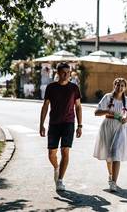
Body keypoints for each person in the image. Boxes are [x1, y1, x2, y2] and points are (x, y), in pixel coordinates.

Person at [39, 62, 82, 191]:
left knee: (65, 150)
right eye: (63, 72)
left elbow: (78, 107)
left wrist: (80, 125)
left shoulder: (74, 88)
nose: (66, 75)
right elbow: (45, 106)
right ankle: (56, 168)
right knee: (51, 153)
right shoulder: (51, 87)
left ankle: (60, 180)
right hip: (54, 124)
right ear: (57, 73)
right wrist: (41, 124)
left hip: (68, 123)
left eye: (68, 72)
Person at [93, 78, 127, 192]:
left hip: (120, 127)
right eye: (118, 85)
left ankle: (114, 182)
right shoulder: (107, 97)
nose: (120, 88)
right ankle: (110, 175)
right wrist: (107, 112)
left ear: (125, 87)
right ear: (114, 85)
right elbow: (96, 112)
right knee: (109, 156)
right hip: (108, 126)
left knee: (116, 154)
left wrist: (126, 119)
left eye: (122, 86)